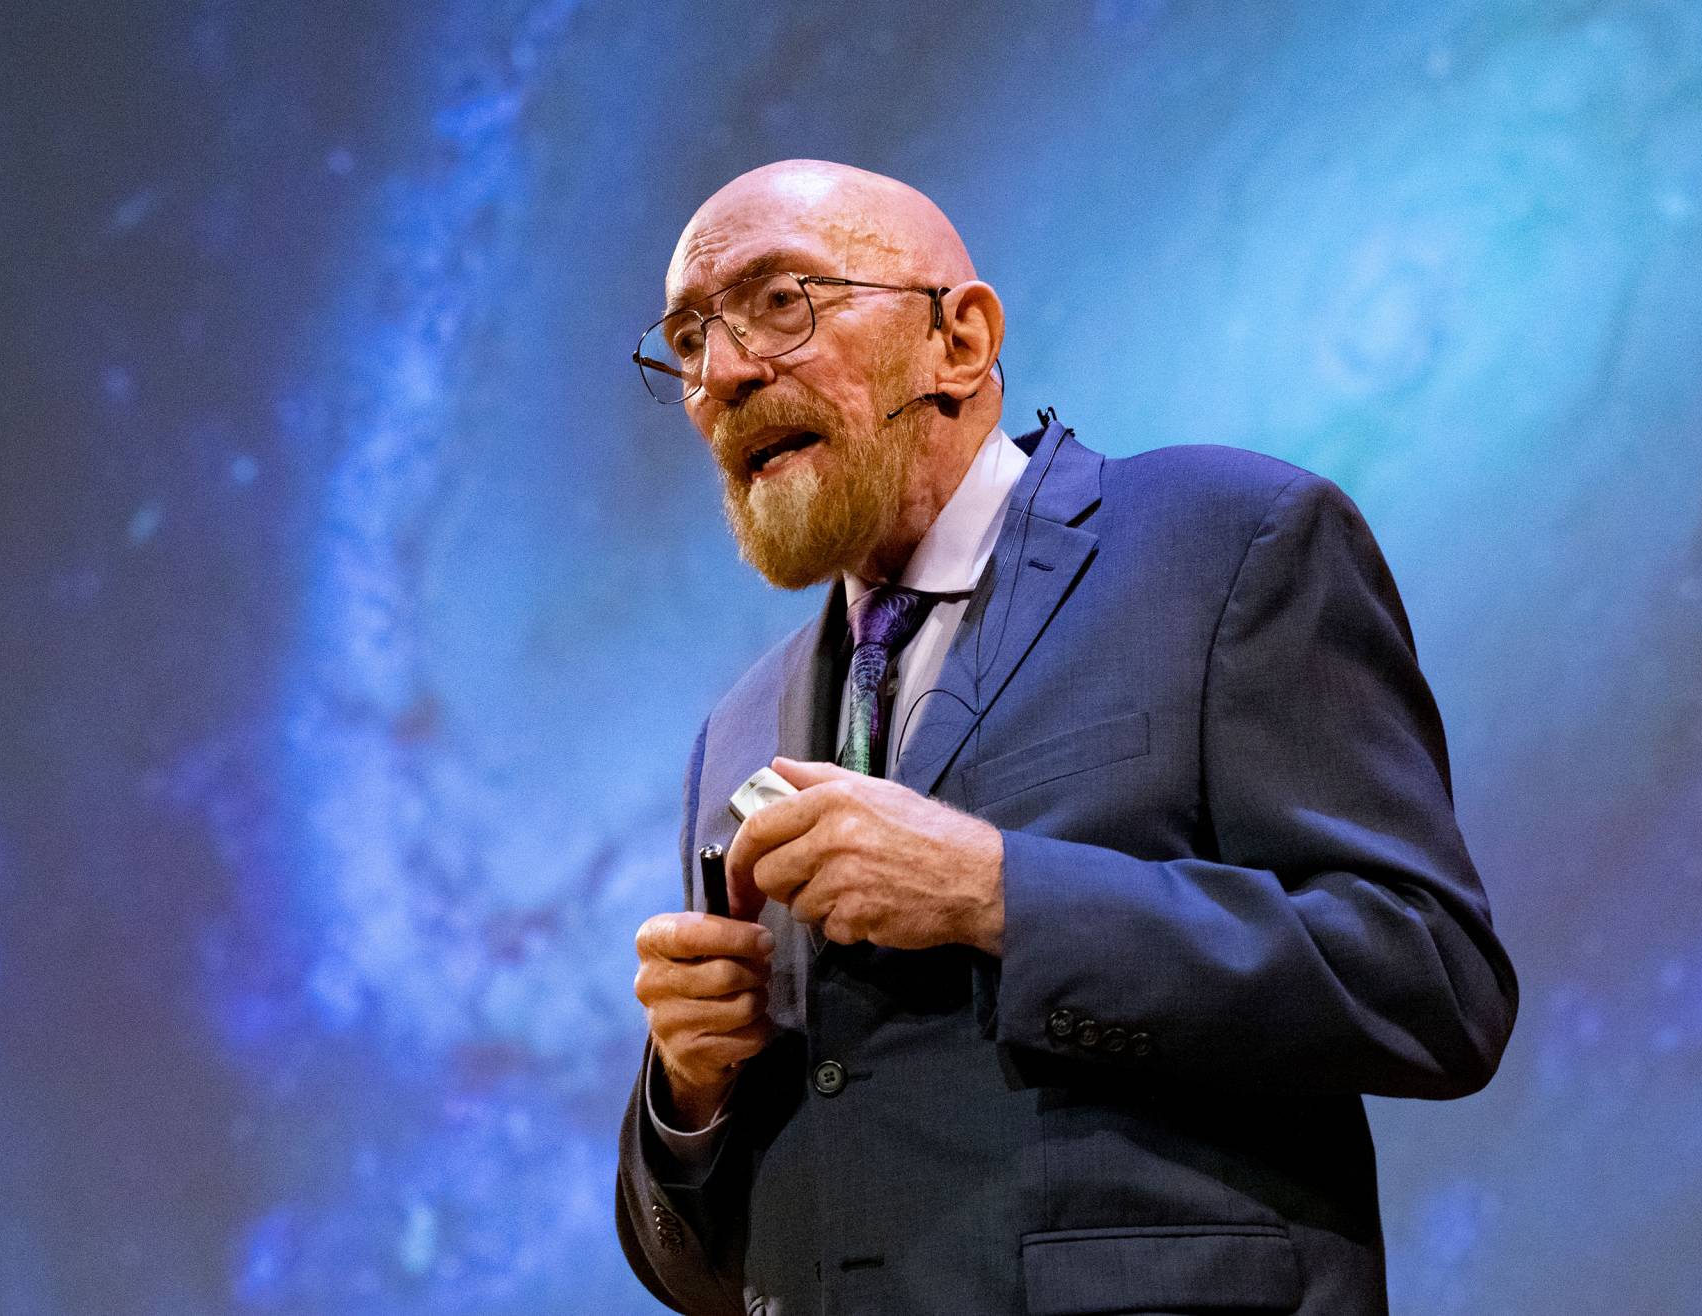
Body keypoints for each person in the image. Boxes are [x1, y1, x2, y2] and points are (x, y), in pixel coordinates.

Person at [616, 159, 1516, 1316]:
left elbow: (1432, 985)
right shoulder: (737, 724)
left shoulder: (1229, 545)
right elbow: (712, 1271)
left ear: (960, 339)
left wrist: (999, 892)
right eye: (689, 340)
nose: (724, 373)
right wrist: (690, 1091)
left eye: (782, 303)